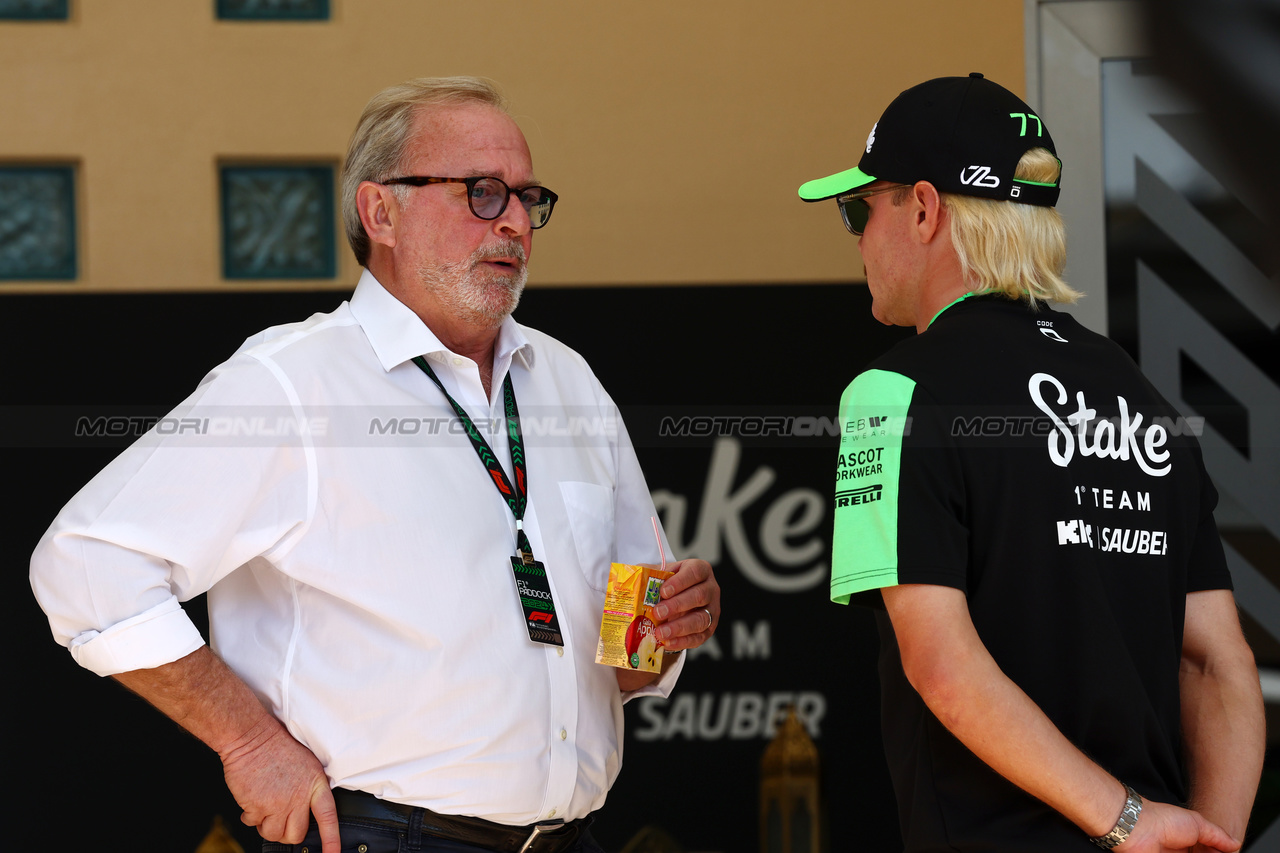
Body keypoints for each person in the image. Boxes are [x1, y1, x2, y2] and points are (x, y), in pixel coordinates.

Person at [30, 76, 720, 853]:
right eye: (484, 193)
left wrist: (666, 627)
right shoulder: (294, 381)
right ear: (380, 211)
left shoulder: (566, 380)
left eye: (530, 197)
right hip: (381, 836)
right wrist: (250, 742)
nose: (518, 222)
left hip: (570, 835)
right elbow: (84, 563)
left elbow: (625, 660)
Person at [797, 74, 1264, 852]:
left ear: (923, 208)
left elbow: (941, 666)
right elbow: (1219, 662)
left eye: (859, 208)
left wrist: (1126, 820)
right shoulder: (1135, 389)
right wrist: (1206, 839)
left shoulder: (888, 393)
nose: (855, 237)